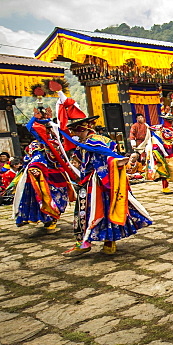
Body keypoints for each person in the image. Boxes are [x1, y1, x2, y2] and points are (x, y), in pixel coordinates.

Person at [60, 100, 153, 257]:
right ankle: (86, 241)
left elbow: (109, 159)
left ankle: (104, 242)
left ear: (83, 128)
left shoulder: (96, 141)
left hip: (100, 183)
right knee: (85, 212)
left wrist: (119, 161)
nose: (74, 135)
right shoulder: (84, 143)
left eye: (76, 131)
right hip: (88, 183)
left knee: (100, 210)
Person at [14, 106, 77, 233]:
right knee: (47, 198)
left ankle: (51, 220)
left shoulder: (56, 143)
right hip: (44, 175)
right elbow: (35, 159)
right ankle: (49, 221)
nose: (51, 131)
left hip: (58, 174)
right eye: (48, 129)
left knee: (59, 198)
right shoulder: (37, 145)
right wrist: (35, 168)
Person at [143, 110, 173, 194]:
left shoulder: (158, 128)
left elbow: (149, 128)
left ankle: (164, 186)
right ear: (171, 122)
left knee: (162, 168)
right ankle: (165, 187)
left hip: (158, 151)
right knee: (167, 168)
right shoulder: (172, 131)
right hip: (168, 152)